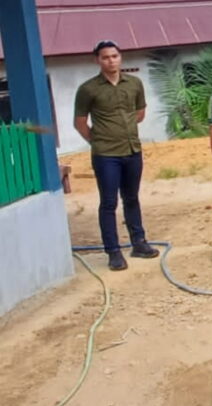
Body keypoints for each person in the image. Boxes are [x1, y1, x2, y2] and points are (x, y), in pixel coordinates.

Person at [74, 40, 159, 271]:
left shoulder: (134, 83)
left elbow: (140, 113)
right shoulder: (88, 89)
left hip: (132, 150)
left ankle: (139, 243)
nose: (111, 61)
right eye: (105, 57)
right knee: (109, 203)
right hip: (106, 155)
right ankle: (113, 252)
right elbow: (80, 123)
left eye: (114, 56)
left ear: (120, 57)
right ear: (98, 60)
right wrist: (98, 141)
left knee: (131, 198)